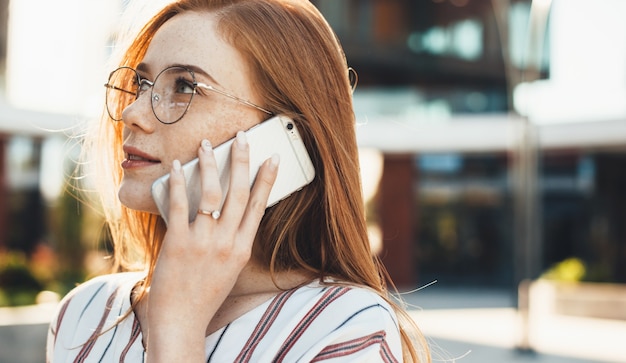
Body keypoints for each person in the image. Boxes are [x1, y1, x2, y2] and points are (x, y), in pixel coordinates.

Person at [46, 0, 430, 361]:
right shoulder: (84, 315)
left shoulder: (345, 327)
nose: (132, 112)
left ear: (279, 136)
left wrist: (177, 330)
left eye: (184, 87)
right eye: (143, 85)